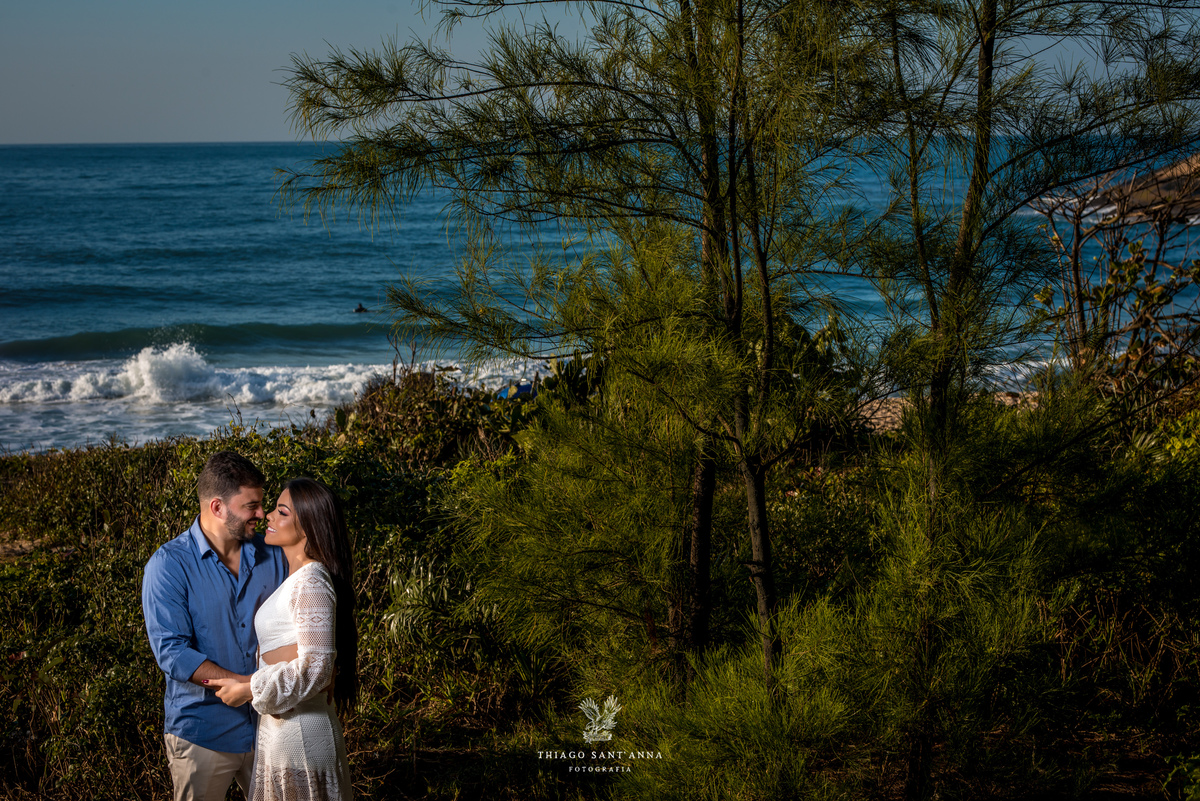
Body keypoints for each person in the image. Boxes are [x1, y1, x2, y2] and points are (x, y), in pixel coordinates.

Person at [142, 451, 289, 801]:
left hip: (269, 727)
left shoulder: (273, 553)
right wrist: (246, 685)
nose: (261, 514)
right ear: (217, 507)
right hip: (201, 734)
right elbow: (173, 653)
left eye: (262, 504)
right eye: (250, 505)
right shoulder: (168, 566)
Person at [208, 477, 358, 801]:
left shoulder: (312, 581)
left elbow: (317, 667)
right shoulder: (296, 579)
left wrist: (250, 689)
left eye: (282, 512)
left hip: (302, 737)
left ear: (308, 526)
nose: (269, 517)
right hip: (284, 734)